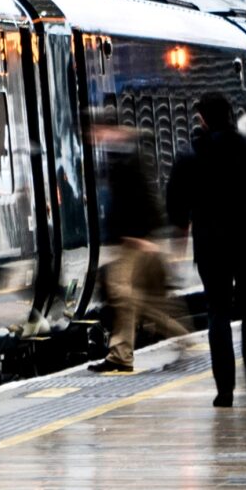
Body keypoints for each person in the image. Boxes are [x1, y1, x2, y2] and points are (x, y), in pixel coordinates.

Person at [165, 92, 246, 406]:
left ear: (203, 119)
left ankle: (224, 391)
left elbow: (176, 209)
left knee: (218, 314)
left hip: (211, 246)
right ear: (230, 115)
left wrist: (184, 228)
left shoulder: (189, 156)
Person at [88, 109, 181, 373]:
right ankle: (121, 354)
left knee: (123, 295)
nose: (92, 137)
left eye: (94, 131)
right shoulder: (120, 153)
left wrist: (142, 237)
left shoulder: (126, 155)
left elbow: (142, 196)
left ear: (104, 128)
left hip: (134, 241)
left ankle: (173, 337)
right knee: (131, 298)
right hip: (131, 240)